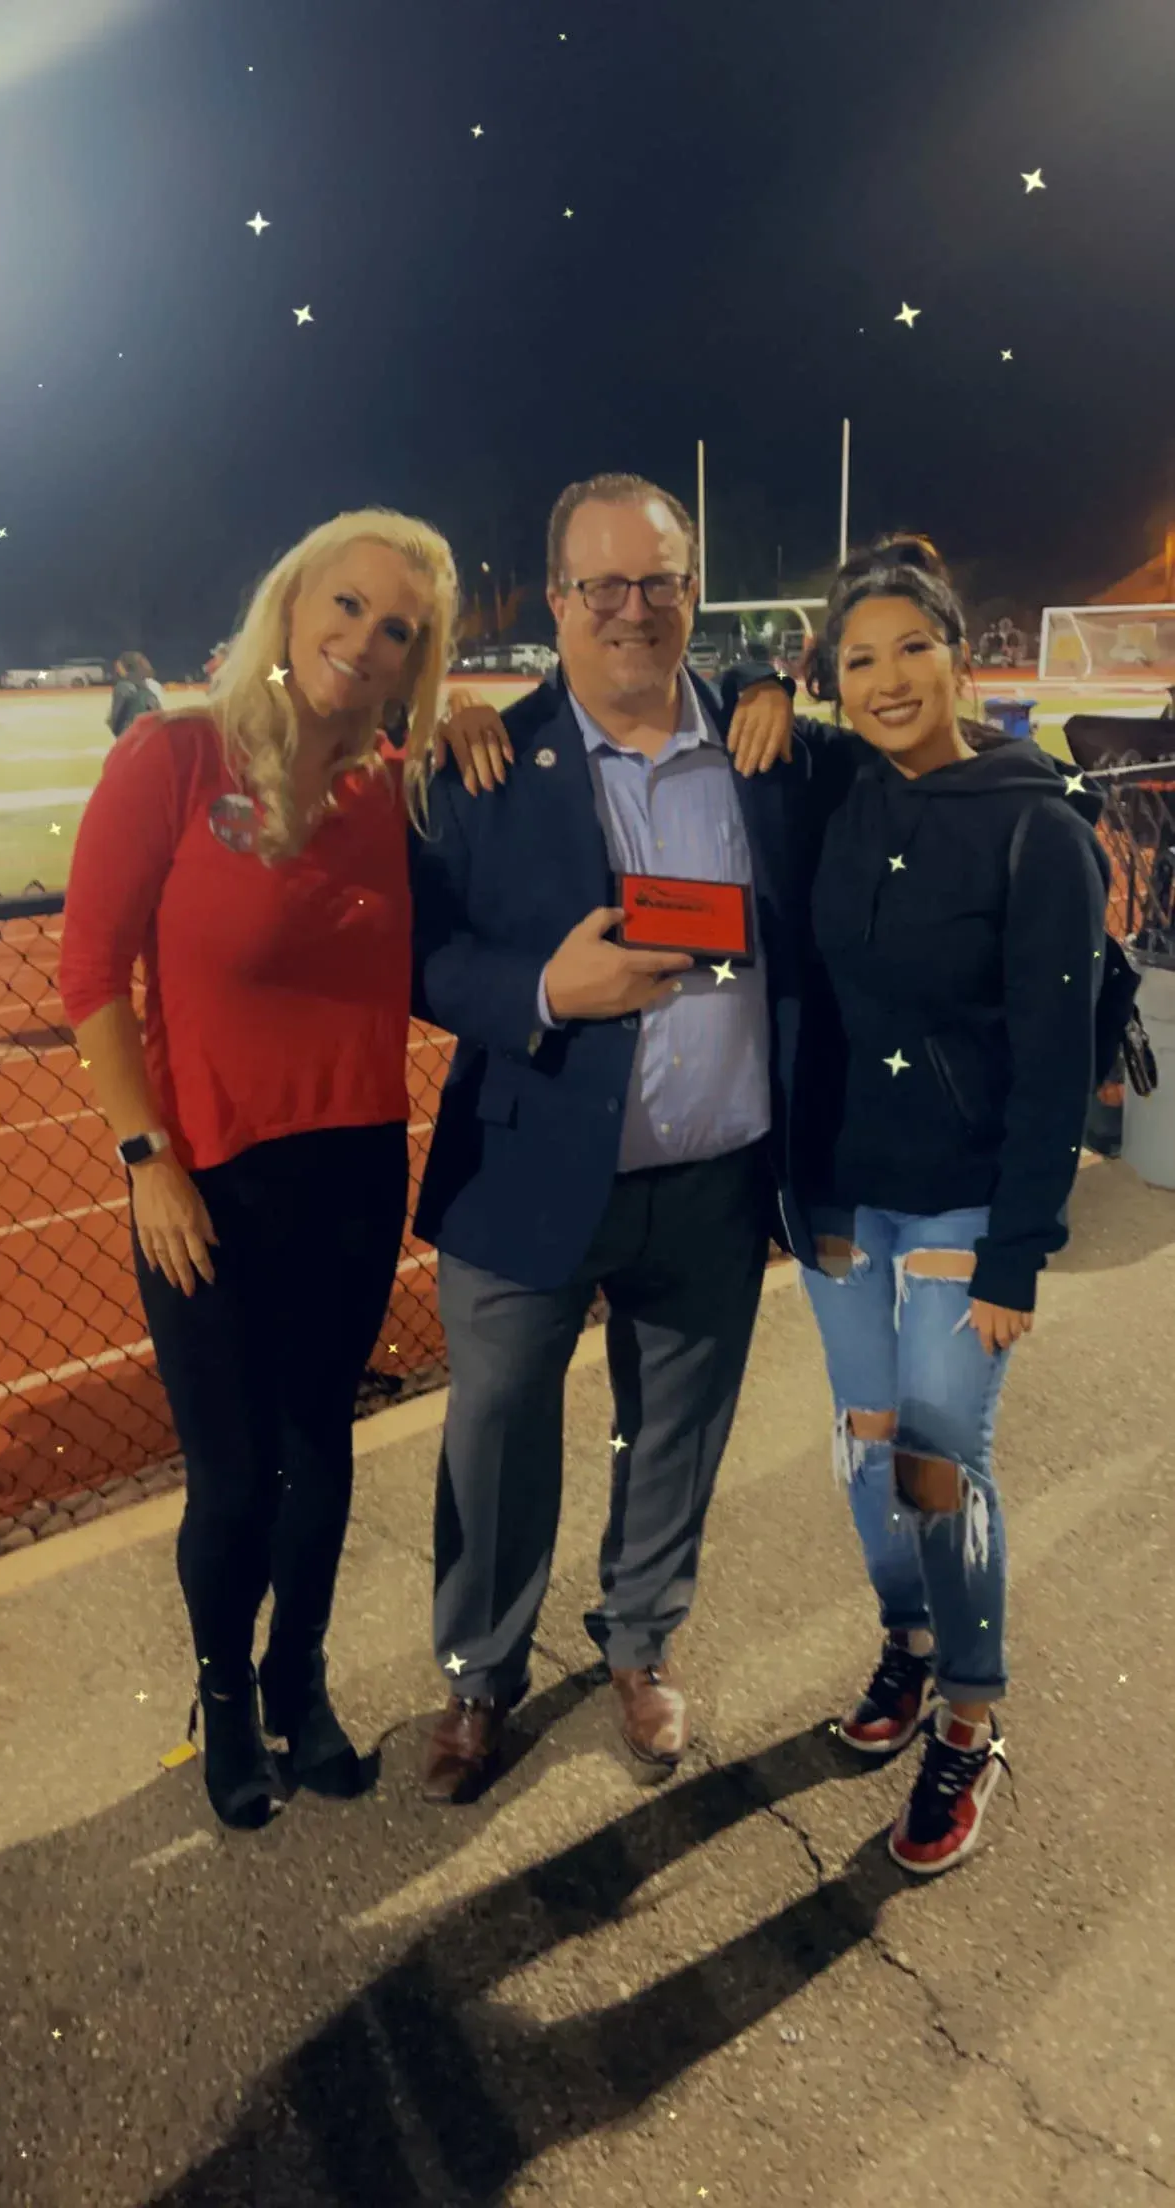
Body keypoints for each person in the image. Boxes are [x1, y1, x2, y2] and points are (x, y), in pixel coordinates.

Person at [60, 508, 461, 1831]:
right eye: (345, 604)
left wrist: (468, 733)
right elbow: (87, 977)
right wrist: (146, 1159)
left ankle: (301, 1678)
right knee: (233, 1480)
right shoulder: (175, 758)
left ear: (415, 660)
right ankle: (225, 1695)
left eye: (397, 629)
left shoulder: (399, 791)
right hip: (207, 1184)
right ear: (291, 603)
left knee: (320, 1452)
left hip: (352, 1174)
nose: (364, 638)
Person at [409, 471, 796, 1803]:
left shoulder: (767, 748)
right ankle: (478, 1672)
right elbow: (422, 955)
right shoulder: (481, 764)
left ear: (694, 590)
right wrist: (539, 991)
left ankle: (639, 1641)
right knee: (495, 1435)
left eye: (660, 581)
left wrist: (774, 679)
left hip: (713, 1178)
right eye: (604, 585)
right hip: (529, 1166)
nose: (634, 609)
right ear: (557, 598)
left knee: (673, 1433)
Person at [786, 540, 1109, 1873]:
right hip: (841, 1203)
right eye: (855, 660)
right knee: (866, 1457)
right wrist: (750, 683)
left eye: (910, 647)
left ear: (959, 656)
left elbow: (1054, 1063)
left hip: (962, 1214)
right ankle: (908, 1642)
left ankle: (967, 1718)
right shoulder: (837, 791)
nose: (885, 679)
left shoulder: (1039, 825)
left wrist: (1016, 1256)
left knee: (934, 1464)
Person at [108, 651, 163, 738]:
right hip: (152, 735)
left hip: (131, 737)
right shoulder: (154, 684)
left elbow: (115, 719)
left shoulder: (123, 686)